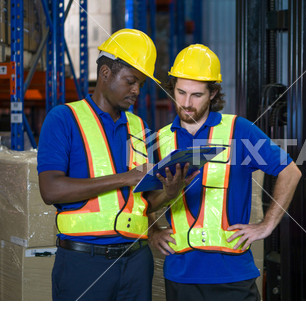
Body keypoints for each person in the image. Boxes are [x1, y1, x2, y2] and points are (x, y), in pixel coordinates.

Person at [37, 29, 196, 301]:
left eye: (140, 84)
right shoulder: (64, 118)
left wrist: (169, 193)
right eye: (131, 81)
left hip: (136, 262)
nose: (136, 90)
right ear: (106, 73)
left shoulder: (138, 127)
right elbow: (50, 190)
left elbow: (140, 202)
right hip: (83, 261)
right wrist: (124, 178)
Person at [149, 44, 302, 301]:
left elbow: (290, 171)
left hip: (233, 276)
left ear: (213, 93)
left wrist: (267, 225)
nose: (186, 103)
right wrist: (152, 230)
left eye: (196, 95)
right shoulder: (161, 139)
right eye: (180, 92)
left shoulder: (239, 130)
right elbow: (145, 193)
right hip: (181, 275)